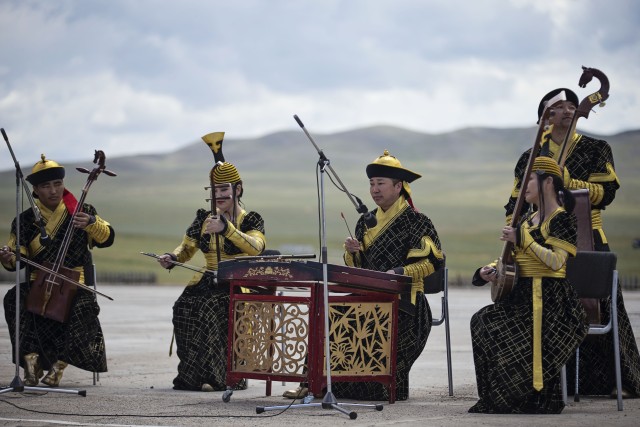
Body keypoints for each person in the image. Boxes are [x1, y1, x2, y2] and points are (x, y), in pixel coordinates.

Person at [505, 88, 640, 398]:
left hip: (588, 238)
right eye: (558, 107)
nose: (567, 110)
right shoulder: (529, 158)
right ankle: (542, 378)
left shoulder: (596, 148)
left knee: (604, 307)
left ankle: (618, 379)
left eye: (571, 105)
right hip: (537, 238)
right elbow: (515, 201)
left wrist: (565, 179)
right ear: (544, 117)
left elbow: (605, 194)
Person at [470, 156, 588, 413]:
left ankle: (528, 396)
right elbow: (510, 256)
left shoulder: (562, 219)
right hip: (521, 295)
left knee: (504, 328)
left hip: (550, 300)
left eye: (528, 181)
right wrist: (487, 270)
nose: (522, 189)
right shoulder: (525, 219)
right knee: (483, 321)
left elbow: (557, 261)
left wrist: (523, 239)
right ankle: (497, 394)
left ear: (547, 182)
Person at [333, 149, 444, 401]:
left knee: (375, 326)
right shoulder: (365, 222)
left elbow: (432, 261)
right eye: (371, 184)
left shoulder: (417, 221)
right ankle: (322, 381)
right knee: (336, 314)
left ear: (398, 186)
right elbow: (359, 266)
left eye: (380, 183)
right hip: (369, 296)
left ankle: (379, 385)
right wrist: (352, 253)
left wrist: (399, 273)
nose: (374, 189)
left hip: (406, 303)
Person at [1, 154, 114, 387]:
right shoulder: (24, 220)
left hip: (75, 283)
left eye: (57, 184)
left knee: (85, 306)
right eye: (45, 186)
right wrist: (8, 257)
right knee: (14, 298)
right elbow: (16, 258)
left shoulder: (81, 209)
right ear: (36, 191)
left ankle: (58, 366)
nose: (53, 190)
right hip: (38, 281)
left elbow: (107, 239)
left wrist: (92, 223)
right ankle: (31, 361)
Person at [156, 161, 266, 392]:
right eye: (214, 191)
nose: (219, 195)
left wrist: (227, 230)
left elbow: (256, 247)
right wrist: (171, 257)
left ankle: (222, 377)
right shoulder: (203, 218)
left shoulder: (251, 220)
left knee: (210, 308)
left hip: (237, 285)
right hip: (206, 280)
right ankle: (193, 376)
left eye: (224, 189)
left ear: (238, 189)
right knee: (182, 307)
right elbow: (186, 248)